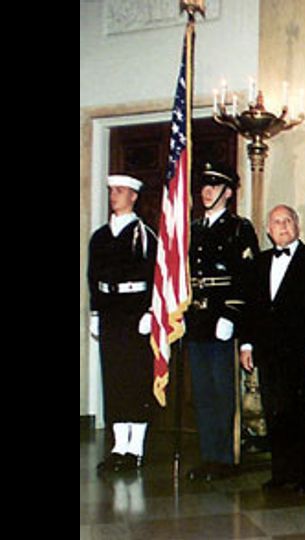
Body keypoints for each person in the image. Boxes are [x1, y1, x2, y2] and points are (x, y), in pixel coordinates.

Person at [239, 205, 305, 494]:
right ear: (268, 230)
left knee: (298, 411)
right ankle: (280, 473)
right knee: (273, 412)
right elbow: (251, 308)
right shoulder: (260, 262)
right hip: (267, 350)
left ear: (297, 226)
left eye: (287, 221)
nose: (282, 226)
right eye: (276, 222)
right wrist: (246, 344)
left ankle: (304, 475)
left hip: (300, 350)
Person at [185, 162, 260, 482]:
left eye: (214, 186)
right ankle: (208, 455)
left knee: (222, 390)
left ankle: (227, 458)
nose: (206, 191)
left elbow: (248, 277)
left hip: (222, 318)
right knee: (202, 392)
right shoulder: (193, 228)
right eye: (204, 186)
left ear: (228, 192)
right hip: (197, 318)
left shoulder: (239, 228)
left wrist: (231, 314)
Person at [88, 174, 157, 473]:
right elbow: (93, 277)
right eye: (111, 191)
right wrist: (95, 312)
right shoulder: (101, 236)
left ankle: (136, 447)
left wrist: (150, 312)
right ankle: (118, 446)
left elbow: (155, 276)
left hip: (135, 313)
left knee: (135, 378)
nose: (113, 196)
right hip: (110, 313)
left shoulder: (144, 235)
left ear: (133, 196)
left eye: (119, 191)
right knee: (113, 377)